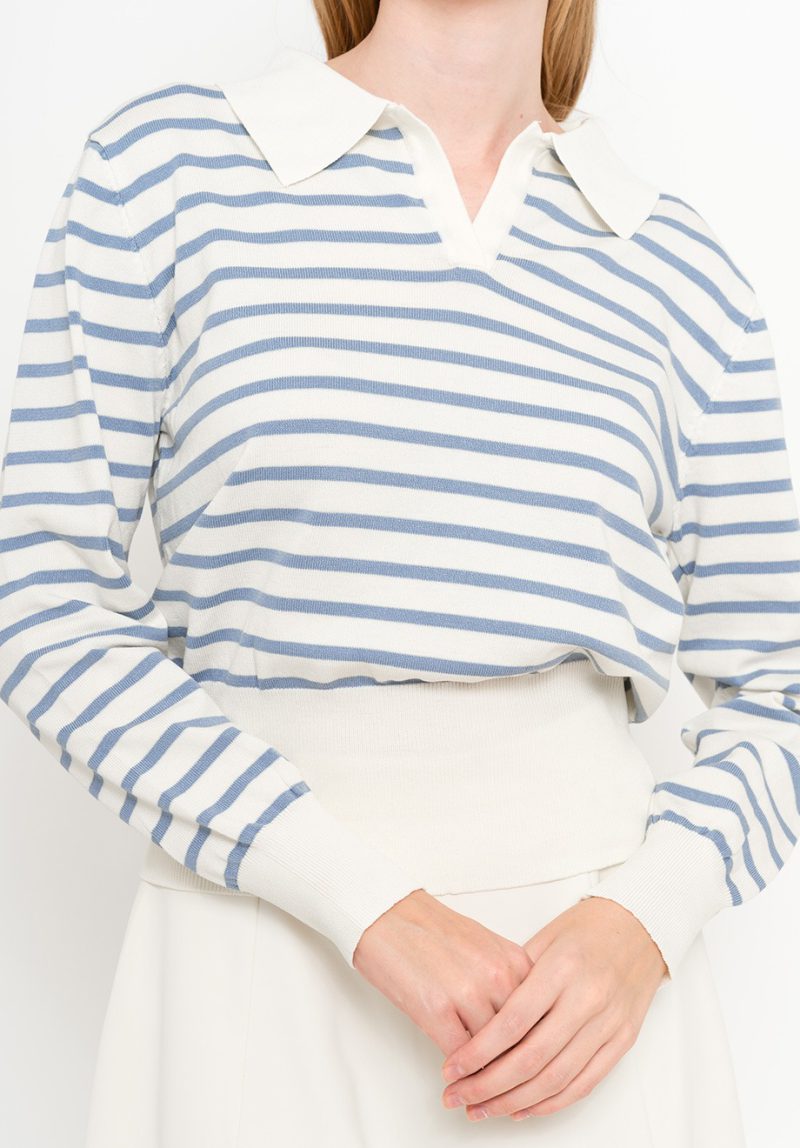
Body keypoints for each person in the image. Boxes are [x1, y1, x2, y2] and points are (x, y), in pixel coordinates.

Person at [1, 1, 797, 1144]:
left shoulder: (678, 270)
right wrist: (357, 896)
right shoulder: (162, 174)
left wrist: (644, 921)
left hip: (584, 1006)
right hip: (252, 957)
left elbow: (781, 684)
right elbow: (41, 595)